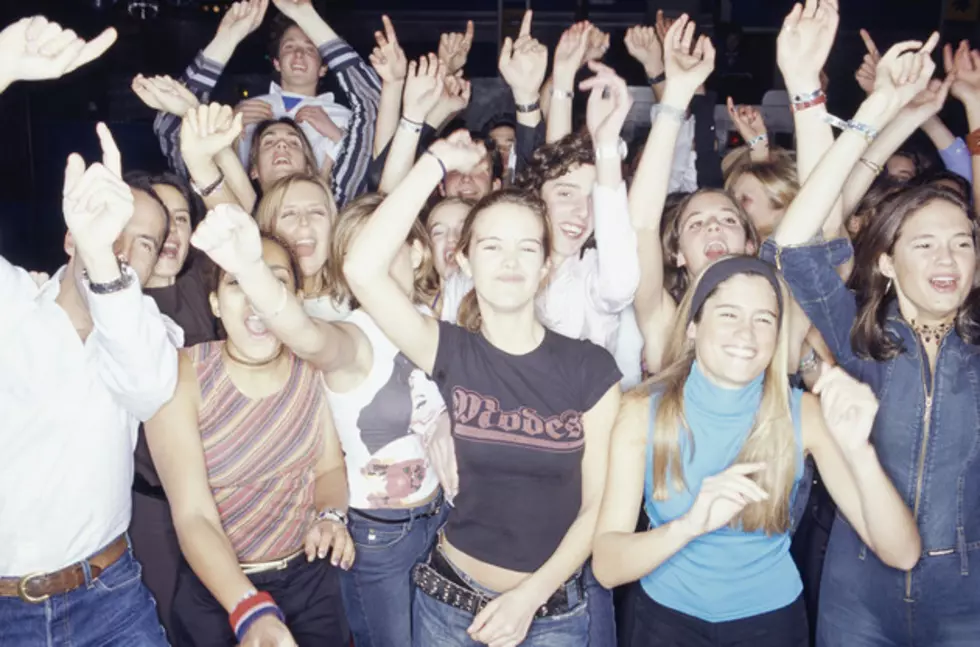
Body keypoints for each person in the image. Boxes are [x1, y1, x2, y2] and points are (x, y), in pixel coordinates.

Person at [343, 128, 622, 646]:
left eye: (526, 248)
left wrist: (528, 598)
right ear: (465, 262)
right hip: (449, 602)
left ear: (544, 266)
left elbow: (597, 507)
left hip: (552, 612)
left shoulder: (591, 368)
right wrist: (435, 161)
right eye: (492, 246)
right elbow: (361, 268)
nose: (510, 262)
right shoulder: (451, 350)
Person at [767, 32, 980, 646]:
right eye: (925, 244)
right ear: (885, 262)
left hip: (965, 595)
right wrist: (873, 109)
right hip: (858, 588)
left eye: (962, 243)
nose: (948, 259)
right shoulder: (859, 332)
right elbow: (794, 246)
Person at [593, 256, 921, 647]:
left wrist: (859, 450)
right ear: (694, 325)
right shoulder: (641, 412)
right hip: (664, 623)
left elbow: (902, 554)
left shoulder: (804, 414)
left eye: (764, 319)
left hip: (770, 625)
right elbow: (607, 566)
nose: (747, 334)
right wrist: (690, 525)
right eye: (729, 314)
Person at [192, 194, 454, 647]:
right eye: (356, 257)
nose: (368, 269)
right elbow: (301, 331)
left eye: (382, 248)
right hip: (380, 535)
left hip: (439, 516)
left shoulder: (436, 323)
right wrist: (251, 268)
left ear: (415, 253)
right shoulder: (350, 337)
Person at [0, 18, 178, 645]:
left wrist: (105, 260)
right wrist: (2, 66)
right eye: (106, 225)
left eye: (145, 243)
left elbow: (148, 390)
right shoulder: (9, 300)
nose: (124, 246)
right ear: (68, 231)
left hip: (111, 598)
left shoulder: (153, 330)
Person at [145, 232, 351, 647]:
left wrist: (331, 518)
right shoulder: (183, 373)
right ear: (216, 302)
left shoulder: (311, 368)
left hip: (310, 583)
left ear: (291, 297)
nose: (257, 298)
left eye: (272, 281)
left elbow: (329, 468)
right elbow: (193, 517)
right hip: (218, 591)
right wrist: (249, 608)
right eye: (238, 282)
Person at [146, 0, 380, 207]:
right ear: (276, 62)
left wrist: (338, 136)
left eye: (310, 49)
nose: (299, 55)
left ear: (324, 66)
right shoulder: (244, 112)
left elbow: (372, 115)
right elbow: (173, 127)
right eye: (290, 47)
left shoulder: (344, 118)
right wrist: (226, 131)